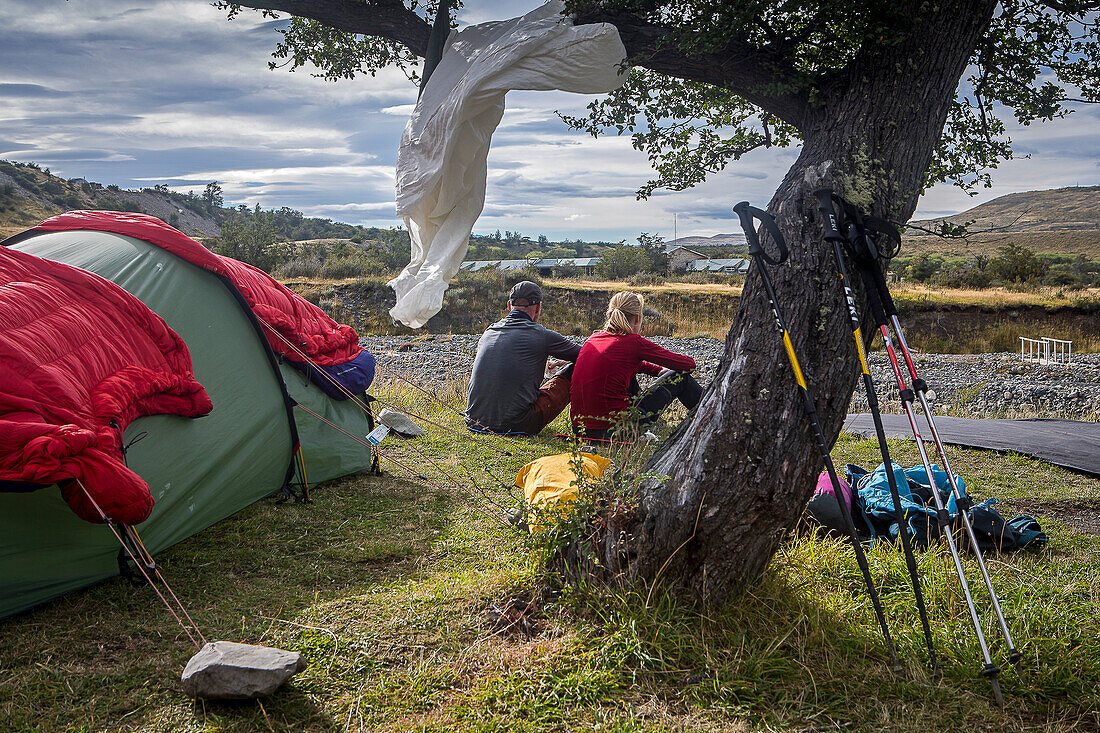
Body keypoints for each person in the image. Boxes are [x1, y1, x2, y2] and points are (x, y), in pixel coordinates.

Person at [570, 291, 703, 441]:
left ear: (609, 316)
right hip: (615, 431)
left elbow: (624, 364)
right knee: (681, 378)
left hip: (580, 429)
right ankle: (711, 416)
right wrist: (666, 370)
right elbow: (688, 365)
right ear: (638, 318)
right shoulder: (634, 342)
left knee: (626, 377)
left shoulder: (593, 339)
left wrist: (658, 370)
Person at [465, 280, 581, 435]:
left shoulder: (489, 331)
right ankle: (590, 426)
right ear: (538, 307)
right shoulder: (542, 335)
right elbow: (586, 355)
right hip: (518, 424)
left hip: (474, 421)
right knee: (575, 369)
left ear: (509, 306)